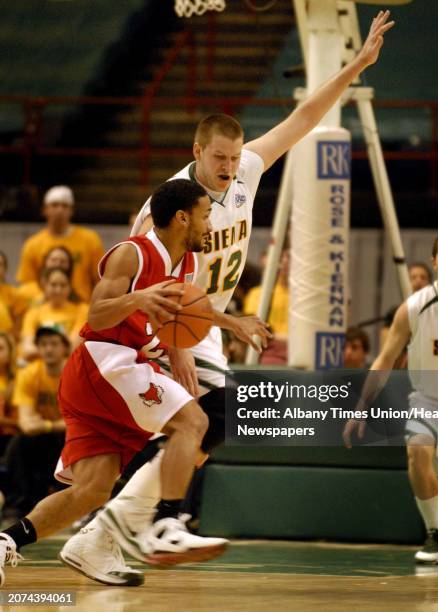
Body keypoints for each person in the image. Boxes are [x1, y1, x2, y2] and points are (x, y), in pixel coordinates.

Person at [60, 10, 396, 585]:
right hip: (170, 321)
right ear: (197, 151)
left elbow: (305, 116)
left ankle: (109, 528)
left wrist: (356, 64)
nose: (227, 167)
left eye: (233, 157)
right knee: (202, 420)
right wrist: (178, 346)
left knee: (212, 428)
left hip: (204, 320)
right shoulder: (163, 209)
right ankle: (137, 523)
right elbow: (149, 288)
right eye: (219, 158)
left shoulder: (248, 170)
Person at [0, 179, 253, 587]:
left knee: (91, 491)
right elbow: (96, 316)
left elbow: (184, 317)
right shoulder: (132, 253)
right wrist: (137, 299)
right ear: (182, 217)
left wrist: (230, 324)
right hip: (106, 362)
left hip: (106, 376)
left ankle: (6, 542)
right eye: (206, 215)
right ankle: (166, 523)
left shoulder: (187, 264)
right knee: (194, 423)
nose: (211, 225)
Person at [343, 229, 438, 564]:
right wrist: (360, 409)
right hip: (433, 402)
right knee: (416, 451)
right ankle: (436, 534)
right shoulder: (415, 308)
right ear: (434, 262)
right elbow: (385, 359)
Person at [7, 327, 68, 515]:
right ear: (38, 349)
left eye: (54, 344)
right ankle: (21, 503)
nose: (48, 349)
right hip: (45, 436)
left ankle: (70, 501)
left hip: (72, 435)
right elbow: (26, 423)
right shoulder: (29, 374)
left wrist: (46, 424)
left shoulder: (75, 372)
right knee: (19, 444)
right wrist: (50, 426)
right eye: (43, 344)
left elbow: (84, 421)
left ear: (65, 348)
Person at [16, 185, 104, 303]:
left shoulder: (90, 240)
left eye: (65, 206)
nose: (60, 210)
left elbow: (100, 279)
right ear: (44, 210)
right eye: (55, 205)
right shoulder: (32, 244)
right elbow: (27, 284)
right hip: (44, 309)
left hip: (81, 308)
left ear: (72, 210)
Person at [20, 268, 88, 361]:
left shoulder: (81, 310)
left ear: (70, 287)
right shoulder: (33, 312)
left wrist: (44, 350)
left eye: (63, 285)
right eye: (53, 285)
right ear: (45, 286)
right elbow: (27, 349)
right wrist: (54, 351)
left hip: (69, 365)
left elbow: (73, 348)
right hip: (40, 368)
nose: (58, 290)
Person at [243, 249, 289, 365]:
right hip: (270, 349)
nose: (285, 263)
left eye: (288, 258)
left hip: (301, 348)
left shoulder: (304, 296)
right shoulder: (257, 294)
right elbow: (251, 327)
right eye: (281, 258)